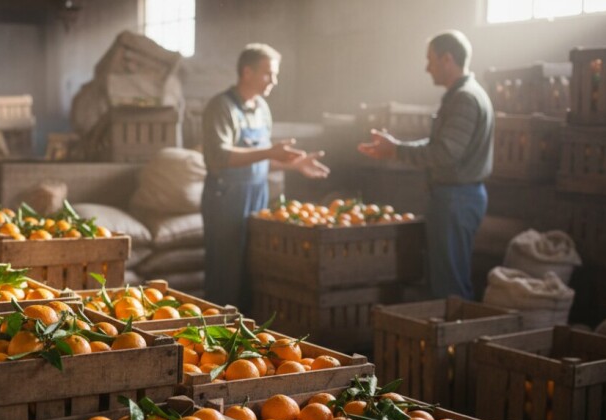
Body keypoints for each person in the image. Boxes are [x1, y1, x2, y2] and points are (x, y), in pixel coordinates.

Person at [357, 30, 493, 300]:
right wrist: (395, 148)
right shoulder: (462, 95)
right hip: (455, 196)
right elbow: (441, 145)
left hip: (456, 198)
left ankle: (454, 339)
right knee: (447, 279)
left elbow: (444, 153)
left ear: (447, 59)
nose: (426, 67)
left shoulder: (465, 98)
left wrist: (395, 150)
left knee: (449, 287)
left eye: (430, 60)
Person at [201, 43, 330, 311]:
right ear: (247, 72)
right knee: (226, 273)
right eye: (268, 74)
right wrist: (270, 151)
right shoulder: (221, 107)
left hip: (257, 194)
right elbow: (219, 157)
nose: (274, 81)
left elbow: (261, 161)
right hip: (226, 199)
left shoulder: (261, 108)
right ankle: (214, 340)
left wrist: (293, 165)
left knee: (253, 270)